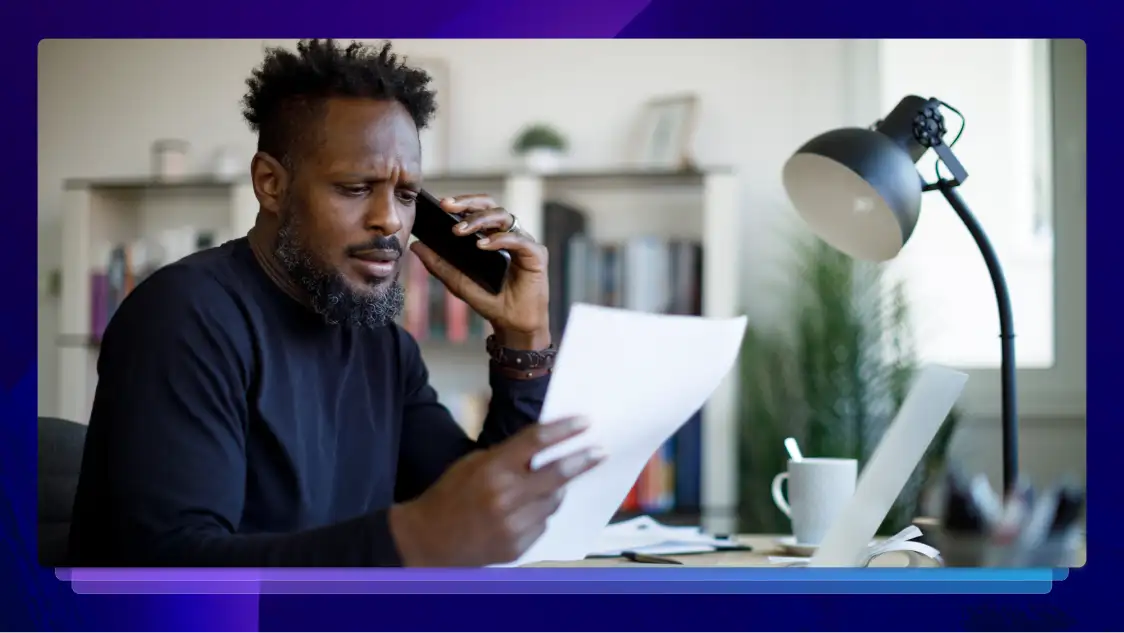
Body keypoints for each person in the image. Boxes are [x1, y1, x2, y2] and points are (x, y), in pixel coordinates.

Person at [66, 39, 605, 568]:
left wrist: (524, 340)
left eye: (407, 195)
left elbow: (485, 520)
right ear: (271, 184)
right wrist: (411, 537)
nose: (390, 220)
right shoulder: (184, 317)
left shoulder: (384, 346)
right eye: (354, 187)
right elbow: (167, 567)